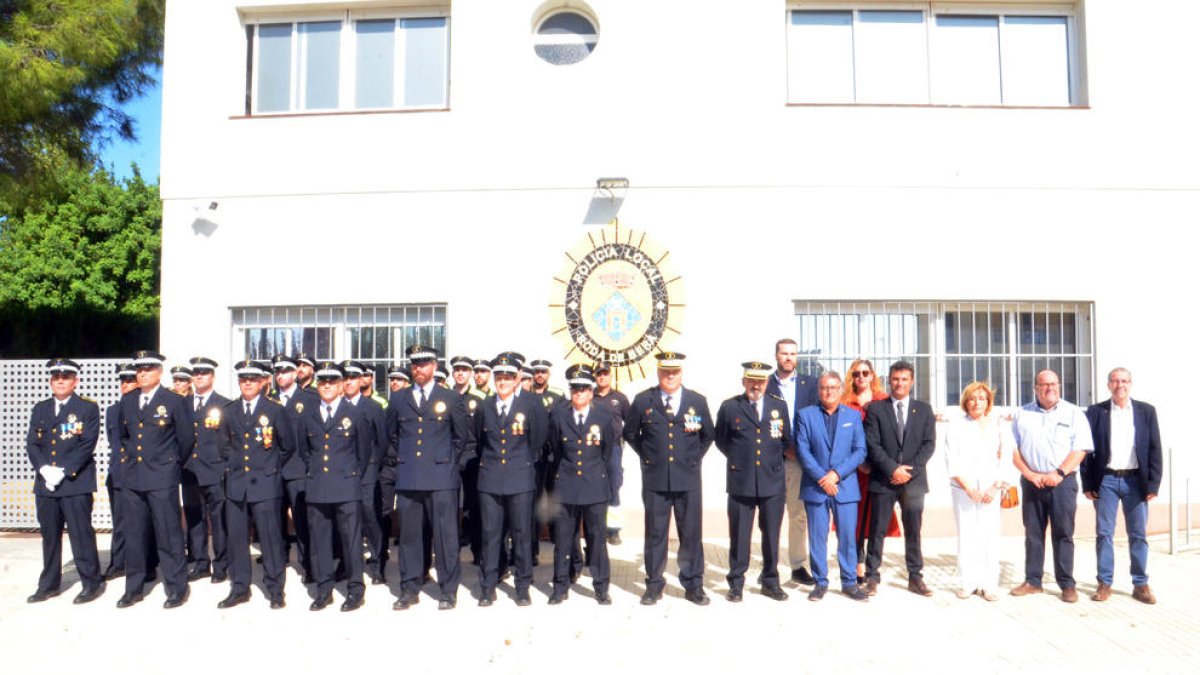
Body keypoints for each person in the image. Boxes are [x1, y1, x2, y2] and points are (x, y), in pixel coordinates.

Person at [386, 344, 474, 610]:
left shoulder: (449, 398)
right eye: (414, 365)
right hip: (410, 477)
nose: (418, 369)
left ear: (434, 366)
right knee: (410, 537)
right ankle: (409, 587)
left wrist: (447, 466)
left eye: (423, 364)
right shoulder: (399, 399)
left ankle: (448, 590)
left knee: (446, 537)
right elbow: (392, 436)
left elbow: (461, 438)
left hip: (441, 479)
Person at [624, 351, 715, 606]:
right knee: (655, 534)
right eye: (665, 371)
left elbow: (709, 434)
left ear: (681, 372)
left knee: (691, 535)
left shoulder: (697, 400)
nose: (670, 375)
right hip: (656, 481)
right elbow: (630, 433)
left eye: (674, 371)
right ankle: (653, 585)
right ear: (658, 372)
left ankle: (694, 585)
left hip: (688, 481)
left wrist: (693, 458)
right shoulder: (644, 401)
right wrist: (649, 457)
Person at [116, 350, 194, 608]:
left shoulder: (173, 400)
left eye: (148, 368)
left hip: (162, 476)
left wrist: (169, 464)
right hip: (133, 477)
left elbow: (186, 440)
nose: (142, 373)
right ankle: (134, 587)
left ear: (159, 371)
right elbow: (123, 436)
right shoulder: (128, 400)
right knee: (135, 534)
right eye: (139, 369)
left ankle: (176, 587)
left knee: (169, 533)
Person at [1010, 369, 1094, 603]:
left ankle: (1067, 584)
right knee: (1033, 533)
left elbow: (1081, 449)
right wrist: (1029, 473)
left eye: (1054, 383)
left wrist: (1059, 473)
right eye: (1044, 384)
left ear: (1059, 385)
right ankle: (1033, 581)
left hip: (1062, 483)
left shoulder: (1074, 413)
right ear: (1035, 387)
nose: (1050, 388)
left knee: (1063, 533)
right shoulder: (1022, 414)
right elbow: (1013, 449)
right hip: (1031, 482)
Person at [25, 358, 104, 605]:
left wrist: (63, 471)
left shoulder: (87, 408)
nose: (60, 381)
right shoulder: (41, 408)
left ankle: (91, 583)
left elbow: (87, 444)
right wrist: (44, 469)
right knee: (50, 535)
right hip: (46, 483)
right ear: (51, 381)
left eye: (66, 377)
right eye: (56, 378)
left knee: (81, 534)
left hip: (75, 482)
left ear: (75, 381)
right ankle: (49, 584)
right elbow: (32, 443)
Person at [473, 353, 548, 607]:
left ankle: (523, 586)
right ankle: (487, 586)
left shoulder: (531, 404)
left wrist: (521, 463)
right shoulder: (485, 406)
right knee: (490, 535)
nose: (502, 381)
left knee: (521, 534)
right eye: (499, 377)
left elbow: (537, 439)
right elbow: (479, 440)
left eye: (507, 377)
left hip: (520, 478)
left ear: (517, 378)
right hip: (490, 480)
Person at [218, 360, 294, 610]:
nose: (247, 383)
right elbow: (224, 446)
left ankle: (275, 589)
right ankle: (239, 588)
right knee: (237, 540)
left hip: (265, 484)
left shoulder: (274, 409)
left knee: (270, 540)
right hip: (237, 484)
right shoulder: (229, 410)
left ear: (263, 382)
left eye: (252, 379)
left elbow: (287, 445)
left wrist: (269, 468)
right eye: (243, 379)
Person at [1083, 367, 1162, 605]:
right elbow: (1087, 451)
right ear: (1108, 385)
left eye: (1124, 381)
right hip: (1105, 480)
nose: (1120, 385)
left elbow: (1155, 448)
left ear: (1131, 384)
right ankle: (1105, 583)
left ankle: (1140, 584)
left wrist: (1153, 484)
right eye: (1115, 381)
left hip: (1135, 481)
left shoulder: (1146, 411)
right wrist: (1088, 483)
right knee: (1104, 533)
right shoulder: (1096, 412)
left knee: (1138, 535)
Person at [714, 361, 790, 602]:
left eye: (761, 381)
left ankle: (770, 581)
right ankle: (736, 583)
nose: (756, 385)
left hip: (772, 481)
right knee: (739, 535)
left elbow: (785, 440)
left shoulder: (779, 406)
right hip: (741, 481)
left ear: (767, 383)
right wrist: (741, 460)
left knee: (771, 535)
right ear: (743, 381)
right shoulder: (730, 407)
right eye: (751, 380)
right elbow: (721, 440)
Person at [863, 361, 936, 597]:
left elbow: (928, 445)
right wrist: (893, 469)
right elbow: (872, 444)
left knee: (913, 530)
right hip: (884, 480)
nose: (899, 383)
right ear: (889, 380)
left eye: (904, 379)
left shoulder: (924, 410)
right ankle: (872, 576)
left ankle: (915, 577)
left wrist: (908, 471)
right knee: (877, 530)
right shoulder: (875, 409)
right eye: (895, 379)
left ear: (911, 381)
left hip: (913, 482)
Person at [795, 371, 869, 602]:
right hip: (816, 487)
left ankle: (849, 583)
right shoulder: (805, 415)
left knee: (847, 537)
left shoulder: (854, 416)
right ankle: (820, 582)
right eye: (824, 387)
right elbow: (802, 450)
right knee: (818, 537)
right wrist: (823, 477)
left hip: (844, 486)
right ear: (818, 390)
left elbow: (860, 451)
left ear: (841, 390)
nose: (828, 391)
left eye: (833, 387)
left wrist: (835, 475)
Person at [303, 361, 371, 611]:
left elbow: (363, 452)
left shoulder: (355, 414)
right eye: (323, 382)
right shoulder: (309, 414)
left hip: (346, 487)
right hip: (318, 486)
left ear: (342, 384)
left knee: (351, 542)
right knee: (320, 542)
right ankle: (324, 589)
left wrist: (351, 477)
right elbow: (304, 451)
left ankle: (355, 589)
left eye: (333, 381)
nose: (327, 385)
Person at [546, 364, 615, 605]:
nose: (579, 394)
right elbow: (555, 448)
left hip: (595, 486)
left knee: (597, 540)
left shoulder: (603, 417)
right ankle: (560, 586)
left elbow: (606, 452)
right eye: (575, 389)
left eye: (584, 389)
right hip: (566, 486)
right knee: (563, 540)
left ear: (591, 391)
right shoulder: (559, 416)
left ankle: (601, 587)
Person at [943, 382, 1015, 601]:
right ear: (966, 401)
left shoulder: (999, 425)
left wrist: (995, 486)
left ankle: (989, 584)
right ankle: (967, 582)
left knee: (989, 535)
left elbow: (1006, 457)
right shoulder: (956, 425)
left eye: (982, 398)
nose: (977, 402)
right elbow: (951, 458)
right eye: (972, 398)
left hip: (990, 490)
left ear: (988, 402)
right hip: (964, 489)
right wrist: (968, 488)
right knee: (967, 534)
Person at [765, 338, 819, 585]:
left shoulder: (811, 384)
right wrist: (784, 448)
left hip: (799, 461)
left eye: (793, 354)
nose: (788, 357)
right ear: (776, 356)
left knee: (798, 515)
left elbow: (817, 420)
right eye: (784, 353)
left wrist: (803, 452)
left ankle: (797, 565)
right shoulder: (765, 384)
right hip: (770, 460)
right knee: (770, 515)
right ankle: (770, 567)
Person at [841, 358, 898, 583]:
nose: (861, 377)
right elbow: (841, 439)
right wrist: (857, 463)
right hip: (854, 470)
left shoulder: (884, 401)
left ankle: (874, 566)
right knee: (854, 520)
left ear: (873, 375)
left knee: (875, 520)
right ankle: (857, 565)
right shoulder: (845, 402)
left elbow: (893, 434)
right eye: (856, 374)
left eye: (865, 373)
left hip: (878, 468)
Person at [182, 356, 230, 583]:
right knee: (194, 519)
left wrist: (225, 466)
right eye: (196, 373)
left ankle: (221, 564)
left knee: (219, 520)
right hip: (190, 470)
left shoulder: (225, 404)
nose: (199, 376)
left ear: (212, 376)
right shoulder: (182, 403)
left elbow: (229, 440)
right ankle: (201, 562)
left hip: (215, 470)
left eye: (204, 373)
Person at [273, 353, 320, 583]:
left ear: (294, 373)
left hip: (298, 468)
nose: (281, 376)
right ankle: (278, 561)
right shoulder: (269, 400)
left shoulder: (309, 399)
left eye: (285, 371)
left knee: (302, 521)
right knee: (274, 520)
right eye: (277, 372)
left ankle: (309, 565)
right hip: (272, 470)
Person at [342, 360, 389, 586]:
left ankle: (378, 563)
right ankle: (347, 563)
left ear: (362, 380)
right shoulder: (337, 406)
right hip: (342, 471)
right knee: (344, 519)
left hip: (368, 470)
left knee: (370, 515)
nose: (350, 382)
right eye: (346, 378)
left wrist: (373, 466)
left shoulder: (373, 408)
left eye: (354, 377)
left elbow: (382, 441)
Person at [102, 362, 146, 581]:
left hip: (141, 473)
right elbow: (114, 441)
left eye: (131, 380)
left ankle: (147, 564)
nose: (126, 385)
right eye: (123, 380)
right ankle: (117, 563)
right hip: (119, 472)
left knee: (144, 522)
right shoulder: (113, 410)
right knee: (119, 522)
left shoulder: (145, 408)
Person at [593, 361, 629, 546]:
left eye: (605, 373)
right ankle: (597, 529)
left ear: (610, 376)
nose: (602, 377)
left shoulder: (620, 398)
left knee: (613, 486)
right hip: (594, 448)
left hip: (614, 448)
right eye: (599, 374)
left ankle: (613, 530)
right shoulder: (589, 396)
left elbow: (629, 424)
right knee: (594, 487)